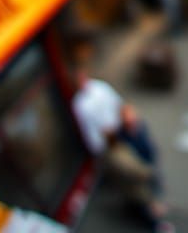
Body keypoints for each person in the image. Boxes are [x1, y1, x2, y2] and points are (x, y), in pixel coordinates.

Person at [71, 66, 173, 232]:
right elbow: (90, 133)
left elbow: (117, 103)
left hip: (121, 131)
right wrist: (104, 148)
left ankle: (152, 198)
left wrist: (128, 120)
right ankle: (151, 213)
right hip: (110, 143)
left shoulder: (99, 87)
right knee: (135, 176)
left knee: (145, 155)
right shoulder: (80, 105)